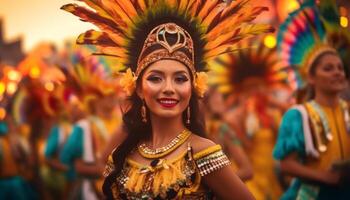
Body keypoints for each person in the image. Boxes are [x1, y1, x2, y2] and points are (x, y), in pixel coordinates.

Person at [62, 0, 273, 199]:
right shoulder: (121, 158)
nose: (169, 89)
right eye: (155, 78)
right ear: (139, 89)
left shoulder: (202, 152)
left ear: (193, 87)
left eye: (180, 79)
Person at [273, 1, 350, 199]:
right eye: (328, 68)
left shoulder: (348, 110)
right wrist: (323, 177)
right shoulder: (298, 115)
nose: (337, 73)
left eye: (340, 68)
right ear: (311, 78)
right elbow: (285, 164)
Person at [204, 88, 253, 181]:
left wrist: (218, 184)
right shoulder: (187, 131)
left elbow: (247, 171)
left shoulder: (222, 129)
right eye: (216, 98)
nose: (219, 101)